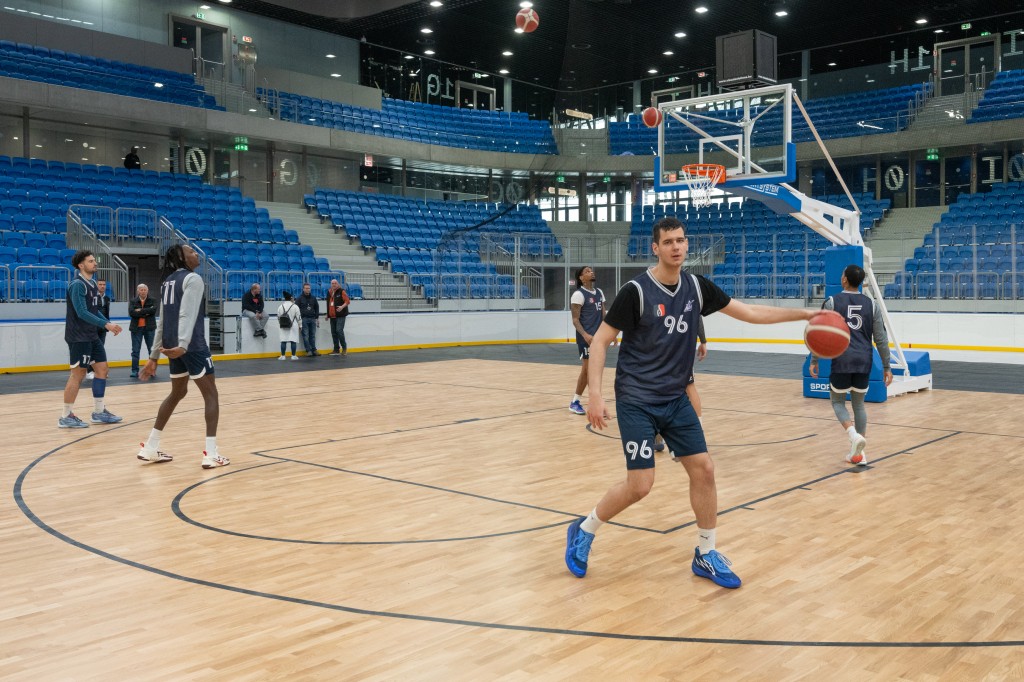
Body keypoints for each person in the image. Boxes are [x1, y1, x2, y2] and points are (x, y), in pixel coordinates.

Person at [564, 217, 817, 589]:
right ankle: (584, 529)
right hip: (637, 399)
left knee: (705, 470)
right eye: (668, 242)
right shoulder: (636, 291)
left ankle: (705, 553)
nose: (676, 247)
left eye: (681, 240)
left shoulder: (698, 287)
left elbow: (750, 313)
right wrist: (596, 396)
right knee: (640, 485)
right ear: (656, 248)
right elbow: (600, 341)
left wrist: (807, 314)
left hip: (675, 398)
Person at [137, 244, 229, 468]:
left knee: (178, 393)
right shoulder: (193, 279)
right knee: (211, 395)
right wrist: (184, 344)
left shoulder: (168, 281)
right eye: (192, 252)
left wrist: (154, 356)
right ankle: (211, 454)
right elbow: (187, 314)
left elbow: (162, 321)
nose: (197, 254)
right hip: (190, 346)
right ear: (181, 257)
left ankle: (150, 446)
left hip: (172, 345)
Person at [809, 264, 893, 467]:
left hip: (842, 359)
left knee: (837, 402)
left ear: (845, 279)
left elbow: (819, 333)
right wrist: (887, 366)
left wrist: (814, 359)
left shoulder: (831, 302)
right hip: (864, 360)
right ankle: (859, 454)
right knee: (859, 405)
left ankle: (854, 436)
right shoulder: (871, 304)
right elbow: (881, 339)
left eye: (842, 273)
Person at [59, 250, 123, 428]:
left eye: (95, 260)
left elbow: (94, 311)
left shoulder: (93, 283)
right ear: (81, 265)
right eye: (90, 261)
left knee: (102, 370)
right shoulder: (77, 285)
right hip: (78, 336)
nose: (95, 263)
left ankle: (99, 411)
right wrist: (105, 325)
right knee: (78, 374)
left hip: (91, 335)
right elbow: (81, 312)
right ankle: (65, 415)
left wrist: (107, 323)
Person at [569, 265, 606, 415]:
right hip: (586, 338)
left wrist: (609, 334)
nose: (591, 272)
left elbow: (603, 316)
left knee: (591, 370)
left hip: (598, 338)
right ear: (581, 277)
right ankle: (584, 402)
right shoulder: (578, 295)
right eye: (587, 271)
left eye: (591, 270)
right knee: (589, 369)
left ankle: (578, 401)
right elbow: (575, 320)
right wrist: (585, 335)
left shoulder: (600, 293)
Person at [129, 283, 157, 378]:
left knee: (151, 350)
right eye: (141, 290)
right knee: (135, 350)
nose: (143, 291)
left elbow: (153, 311)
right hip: (136, 329)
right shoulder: (133, 301)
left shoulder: (153, 300)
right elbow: (131, 313)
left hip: (149, 328)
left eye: (145, 290)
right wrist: (146, 311)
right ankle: (134, 371)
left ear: (147, 291)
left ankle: (152, 371)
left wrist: (140, 311)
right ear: (138, 291)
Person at [85, 278, 112, 381]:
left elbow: (106, 313)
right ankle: (89, 371)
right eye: (100, 284)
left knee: (100, 349)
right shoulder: (92, 297)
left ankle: (99, 371)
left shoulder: (107, 298)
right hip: (93, 327)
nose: (102, 286)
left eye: (104, 284)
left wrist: (108, 324)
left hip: (103, 328)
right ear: (96, 286)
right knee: (91, 349)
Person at [325, 279, 351, 356]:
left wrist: (342, 307)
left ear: (338, 284)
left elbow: (347, 301)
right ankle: (336, 349)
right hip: (332, 316)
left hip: (341, 315)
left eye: (335, 283)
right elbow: (328, 304)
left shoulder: (342, 291)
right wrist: (328, 314)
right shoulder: (329, 292)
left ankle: (344, 348)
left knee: (339, 331)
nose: (334, 284)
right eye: (332, 283)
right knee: (333, 333)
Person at [296, 282, 320, 357]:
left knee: (312, 335)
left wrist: (317, 317)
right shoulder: (299, 298)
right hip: (304, 319)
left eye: (309, 288)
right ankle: (308, 350)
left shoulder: (313, 298)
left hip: (312, 319)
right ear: (303, 289)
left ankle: (314, 350)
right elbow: (296, 309)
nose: (308, 290)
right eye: (306, 288)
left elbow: (317, 307)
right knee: (305, 335)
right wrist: (298, 321)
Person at [277, 290, 302, 360]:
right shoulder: (295, 306)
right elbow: (299, 317)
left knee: (283, 340)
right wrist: (300, 325)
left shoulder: (280, 306)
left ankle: (283, 356)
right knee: (293, 340)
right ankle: (293, 355)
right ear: (291, 298)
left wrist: (281, 323)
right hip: (293, 325)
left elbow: (278, 317)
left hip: (283, 326)